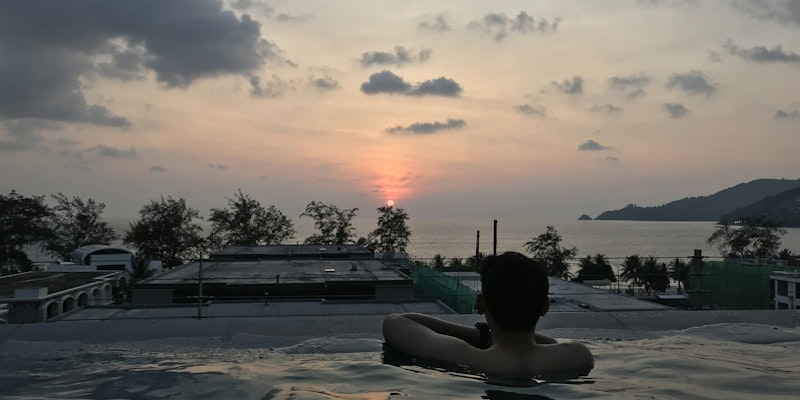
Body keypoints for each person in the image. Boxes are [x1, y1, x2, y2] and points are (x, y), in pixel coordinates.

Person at [382, 251, 593, 377]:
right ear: (544, 307)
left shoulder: (469, 358)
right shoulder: (576, 355)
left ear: (481, 304)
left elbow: (396, 323)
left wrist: (482, 334)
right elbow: (553, 344)